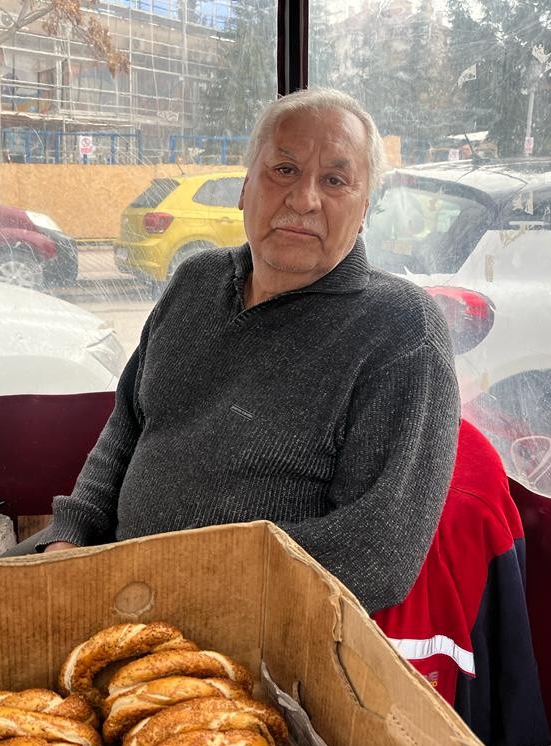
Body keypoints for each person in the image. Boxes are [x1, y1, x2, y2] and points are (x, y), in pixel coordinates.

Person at [37, 88, 460, 614]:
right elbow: (128, 426)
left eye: (335, 180)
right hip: (116, 585)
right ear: (244, 188)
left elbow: (377, 554)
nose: (304, 199)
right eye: (284, 170)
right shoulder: (195, 281)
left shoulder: (400, 329)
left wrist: (171, 583)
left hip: (254, 623)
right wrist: (71, 535)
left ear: (364, 210)